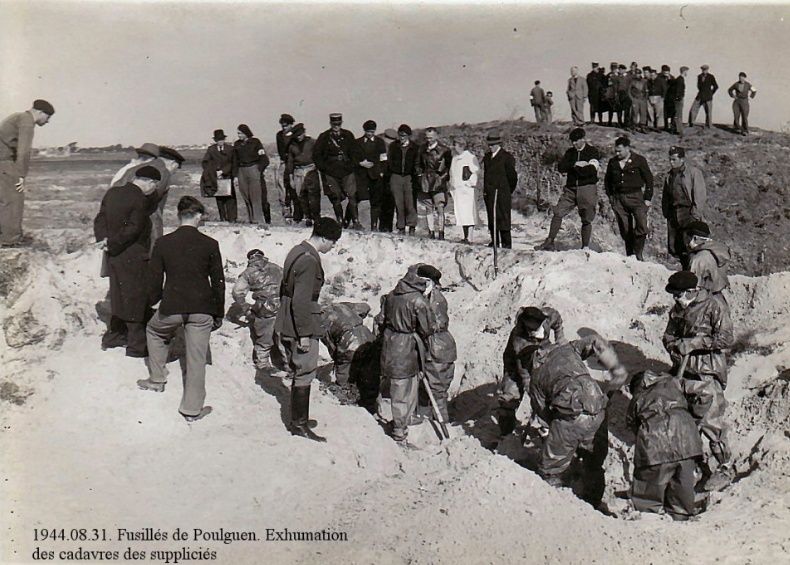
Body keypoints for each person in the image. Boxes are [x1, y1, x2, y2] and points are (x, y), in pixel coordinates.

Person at [137, 196, 225, 423]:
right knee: (196, 358)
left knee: (154, 331)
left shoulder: (164, 243)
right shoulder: (210, 244)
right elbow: (218, 282)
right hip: (202, 309)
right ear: (198, 216)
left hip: (172, 306)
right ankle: (192, 410)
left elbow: (154, 278)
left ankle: (157, 380)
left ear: (179, 216)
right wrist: (219, 313)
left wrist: (154, 300)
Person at [529, 331, 628, 507]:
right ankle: (594, 505)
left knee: (551, 469)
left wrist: (557, 438)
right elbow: (594, 340)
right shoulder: (568, 350)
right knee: (594, 464)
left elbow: (544, 413)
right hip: (598, 407)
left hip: (571, 414)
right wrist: (616, 369)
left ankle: (557, 510)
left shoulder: (537, 375)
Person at [272, 217, 343, 442]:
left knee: (298, 370)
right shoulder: (310, 261)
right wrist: (304, 334)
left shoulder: (297, 250)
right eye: (332, 242)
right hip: (300, 322)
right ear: (323, 238)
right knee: (305, 370)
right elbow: (301, 301)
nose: (333, 246)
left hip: (288, 318)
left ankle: (298, 418)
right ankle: (299, 424)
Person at [663, 271, 734, 490]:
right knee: (684, 422)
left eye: (678, 295)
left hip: (707, 374)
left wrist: (695, 343)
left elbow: (726, 338)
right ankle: (692, 468)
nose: (675, 299)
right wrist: (675, 347)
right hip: (683, 374)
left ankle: (725, 467)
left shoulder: (714, 306)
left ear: (691, 291)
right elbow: (668, 336)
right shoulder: (677, 310)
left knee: (711, 422)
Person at [93, 166, 161, 357]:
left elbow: (100, 219)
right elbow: (133, 228)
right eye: (154, 185)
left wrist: (103, 240)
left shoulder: (113, 192)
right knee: (135, 298)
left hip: (113, 256)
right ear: (149, 182)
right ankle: (136, 346)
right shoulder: (140, 199)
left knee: (118, 295)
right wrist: (113, 243)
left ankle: (114, 338)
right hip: (132, 255)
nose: (153, 189)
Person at [627, 370, 710, 520]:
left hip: (654, 443)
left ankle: (649, 519)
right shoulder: (675, 382)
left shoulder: (639, 397)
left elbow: (631, 423)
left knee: (647, 494)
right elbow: (705, 392)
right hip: (686, 439)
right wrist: (693, 417)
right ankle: (681, 517)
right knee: (682, 492)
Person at [377, 265, 435, 443]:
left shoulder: (392, 294)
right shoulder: (418, 301)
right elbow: (427, 328)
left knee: (394, 385)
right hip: (406, 347)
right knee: (404, 388)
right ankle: (399, 431)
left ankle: (400, 420)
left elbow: (382, 318)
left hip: (390, 343)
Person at [497, 306, 565, 438]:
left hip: (542, 353)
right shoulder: (519, 339)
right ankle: (506, 434)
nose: (532, 331)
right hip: (517, 363)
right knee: (510, 397)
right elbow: (524, 370)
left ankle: (547, 428)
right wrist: (530, 388)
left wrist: (560, 338)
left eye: (535, 328)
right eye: (529, 328)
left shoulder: (547, 316)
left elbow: (557, 321)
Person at [0, 99, 54, 247]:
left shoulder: (18, 117)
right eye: (48, 117)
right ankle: (10, 240)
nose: (47, 121)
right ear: (40, 113)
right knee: (14, 199)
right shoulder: (26, 122)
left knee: (4, 200)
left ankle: (5, 237)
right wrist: (21, 175)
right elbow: (23, 151)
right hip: (4, 162)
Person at [535, 127, 600, 251]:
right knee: (558, 212)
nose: (575, 144)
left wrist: (576, 169)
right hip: (570, 189)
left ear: (583, 139)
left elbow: (591, 170)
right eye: (573, 141)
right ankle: (549, 242)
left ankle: (585, 246)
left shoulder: (592, 151)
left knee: (586, 218)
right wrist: (576, 165)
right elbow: (561, 167)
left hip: (587, 189)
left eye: (577, 141)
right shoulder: (570, 153)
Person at [413, 264, 456, 423]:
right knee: (424, 389)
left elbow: (434, 325)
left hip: (437, 349)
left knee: (437, 390)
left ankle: (441, 423)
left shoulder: (435, 299)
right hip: (431, 347)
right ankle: (425, 420)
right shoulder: (425, 297)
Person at [232, 248, 283, 372]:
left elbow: (237, 292)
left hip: (265, 309)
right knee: (284, 340)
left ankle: (263, 365)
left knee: (264, 339)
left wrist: (246, 309)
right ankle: (288, 367)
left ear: (250, 259)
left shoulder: (248, 272)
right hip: (283, 307)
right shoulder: (277, 267)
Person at [603, 136, 654, 260]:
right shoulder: (613, 162)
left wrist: (647, 198)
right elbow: (607, 181)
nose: (617, 153)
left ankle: (638, 253)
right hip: (619, 199)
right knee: (625, 229)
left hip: (636, 197)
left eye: (620, 151)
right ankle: (630, 255)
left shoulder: (639, 160)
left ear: (627, 148)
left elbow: (649, 179)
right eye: (616, 151)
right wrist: (611, 197)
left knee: (642, 226)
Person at [314, 113, 362, 229]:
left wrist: (352, 165)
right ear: (330, 123)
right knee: (335, 196)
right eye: (334, 124)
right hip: (331, 171)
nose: (336, 126)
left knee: (352, 195)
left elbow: (355, 152)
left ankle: (355, 221)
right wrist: (324, 168)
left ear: (341, 123)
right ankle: (339, 220)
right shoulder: (324, 137)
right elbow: (317, 155)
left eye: (338, 124)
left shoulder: (348, 135)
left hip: (347, 170)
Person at [661, 146, 707, 269]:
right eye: (670, 159)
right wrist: (666, 213)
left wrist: (695, 214)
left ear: (682, 159)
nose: (671, 162)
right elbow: (665, 196)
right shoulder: (669, 176)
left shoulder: (693, 173)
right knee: (676, 245)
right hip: (674, 214)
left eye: (674, 159)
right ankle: (684, 269)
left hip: (688, 212)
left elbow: (699, 194)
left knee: (690, 244)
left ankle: (693, 271)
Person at [320, 302, 376, 386]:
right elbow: (365, 307)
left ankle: (344, 391)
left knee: (344, 372)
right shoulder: (341, 305)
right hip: (367, 336)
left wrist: (337, 359)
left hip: (348, 343)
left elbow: (329, 343)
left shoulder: (322, 320)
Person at [482, 131, 518, 249]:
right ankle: (495, 241)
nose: (490, 147)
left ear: (498, 144)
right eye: (489, 145)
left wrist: (506, 190)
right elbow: (486, 175)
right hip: (490, 193)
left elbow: (512, 177)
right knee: (492, 218)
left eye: (492, 145)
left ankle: (507, 244)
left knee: (503, 219)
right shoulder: (487, 158)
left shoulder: (506, 157)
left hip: (502, 193)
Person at [416, 127, 452, 240]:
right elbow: (417, 164)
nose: (429, 140)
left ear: (436, 136)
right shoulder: (421, 149)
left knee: (440, 206)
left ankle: (441, 232)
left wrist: (442, 178)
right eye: (427, 138)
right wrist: (420, 175)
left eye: (431, 138)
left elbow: (449, 167)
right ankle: (431, 232)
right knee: (428, 207)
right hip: (425, 180)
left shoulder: (445, 150)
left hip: (438, 180)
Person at [232, 123, 270, 227]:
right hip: (241, 171)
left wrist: (259, 170)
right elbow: (234, 160)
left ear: (246, 133)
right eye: (238, 133)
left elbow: (263, 158)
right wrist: (235, 175)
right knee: (246, 195)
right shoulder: (237, 144)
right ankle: (251, 220)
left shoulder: (255, 142)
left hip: (253, 169)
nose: (239, 135)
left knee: (255, 196)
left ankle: (258, 220)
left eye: (240, 133)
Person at [386, 124, 419, 235]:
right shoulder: (393, 146)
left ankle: (412, 226)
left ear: (409, 136)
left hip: (409, 177)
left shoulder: (415, 147)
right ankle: (401, 227)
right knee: (398, 202)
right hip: (396, 176)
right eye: (400, 135)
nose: (402, 137)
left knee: (410, 202)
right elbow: (389, 160)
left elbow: (417, 162)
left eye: (404, 135)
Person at [200, 129, 237, 222]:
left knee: (230, 198)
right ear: (215, 140)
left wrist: (223, 171)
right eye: (218, 140)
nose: (220, 141)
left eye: (222, 139)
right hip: (215, 178)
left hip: (228, 176)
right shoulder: (211, 149)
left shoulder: (230, 149)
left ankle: (232, 219)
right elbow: (205, 162)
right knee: (219, 198)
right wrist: (213, 171)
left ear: (224, 139)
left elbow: (233, 163)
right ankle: (223, 218)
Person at [356, 120, 387, 231]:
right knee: (358, 199)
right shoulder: (358, 142)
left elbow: (383, 159)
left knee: (376, 201)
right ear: (364, 131)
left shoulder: (380, 142)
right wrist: (360, 163)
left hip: (376, 176)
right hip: (362, 176)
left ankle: (374, 225)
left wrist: (381, 172)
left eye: (372, 131)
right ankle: (356, 223)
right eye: (368, 131)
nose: (370, 134)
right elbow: (353, 158)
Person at [286, 123, 320, 225]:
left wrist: (316, 167)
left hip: (310, 170)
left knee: (313, 195)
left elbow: (318, 156)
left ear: (304, 133)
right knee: (301, 196)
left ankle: (316, 217)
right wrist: (291, 178)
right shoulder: (292, 146)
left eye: (300, 135)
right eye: (297, 135)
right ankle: (307, 217)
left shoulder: (312, 142)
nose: (299, 137)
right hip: (298, 172)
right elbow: (290, 162)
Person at [448, 136, 480, 243]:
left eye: (455, 145)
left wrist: (469, 184)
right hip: (458, 190)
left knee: (469, 214)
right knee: (461, 214)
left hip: (467, 191)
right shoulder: (455, 158)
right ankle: (465, 236)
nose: (454, 147)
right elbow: (452, 173)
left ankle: (470, 237)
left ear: (460, 145)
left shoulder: (470, 157)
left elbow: (475, 172)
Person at [686, 220, 730, 296]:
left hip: (704, 301)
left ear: (694, 238)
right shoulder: (718, 252)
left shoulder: (698, 259)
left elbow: (693, 290)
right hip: (718, 299)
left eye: (687, 237)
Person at [378, 128, 399, 232]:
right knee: (384, 204)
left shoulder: (393, 147)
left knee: (389, 203)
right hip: (382, 178)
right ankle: (384, 227)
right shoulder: (382, 146)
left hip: (390, 177)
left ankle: (386, 227)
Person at [276, 113, 296, 220]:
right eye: (283, 126)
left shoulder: (296, 134)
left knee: (294, 186)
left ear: (291, 125)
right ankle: (286, 209)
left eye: (286, 125)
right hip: (284, 162)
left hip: (294, 164)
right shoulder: (279, 135)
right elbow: (280, 150)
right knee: (282, 185)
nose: (284, 128)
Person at [628, 68, 649, 133]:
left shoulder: (644, 81)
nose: (638, 75)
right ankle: (633, 126)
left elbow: (647, 91)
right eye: (636, 74)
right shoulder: (632, 81)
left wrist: (645, 98)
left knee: (643, 113)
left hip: (642, 99)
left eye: (639, 74)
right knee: (635, 113)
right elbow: (629, 91)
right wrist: (632, 98)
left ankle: (642, 127)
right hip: (635, 99)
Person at [669, 66, 688, 136]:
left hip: (678, 99)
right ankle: (679, 131)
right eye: (686, 71)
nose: (687, 73)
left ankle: (673, 129)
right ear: (684, 71)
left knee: (676, 115)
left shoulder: (679, 79)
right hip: (679, 100)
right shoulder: (680, 79)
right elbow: (678, 90)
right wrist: (678, 98)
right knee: (678, 115)